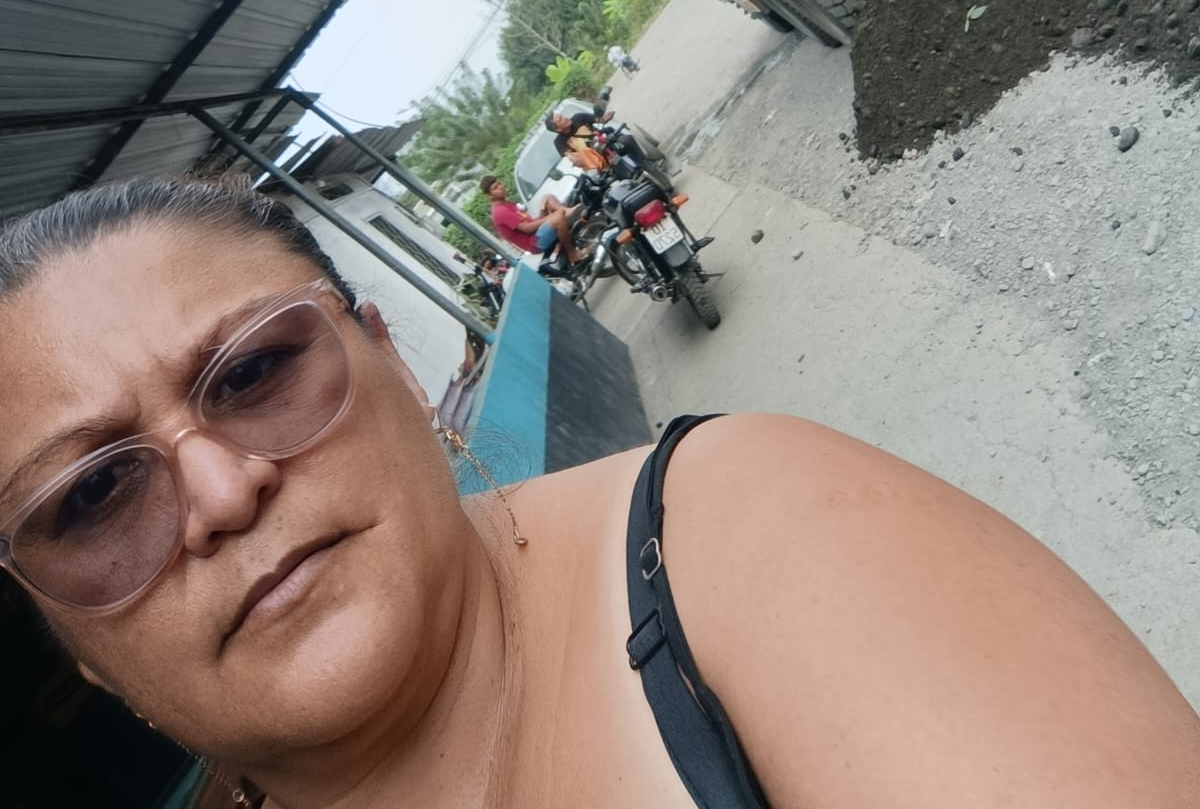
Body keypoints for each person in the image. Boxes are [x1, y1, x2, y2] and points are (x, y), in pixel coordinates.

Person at [0, 178, 1196, 809]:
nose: (219, 491)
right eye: (95, 499)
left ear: (396, 367)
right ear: (72, 645)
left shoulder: (744, 535)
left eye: (257, 373)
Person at [480, 174, 583, 265]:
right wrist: (550, 217)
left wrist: (542, 213)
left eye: (499, 184)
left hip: (537, 232)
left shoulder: (507, 204)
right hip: (534, 242)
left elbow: (530, 222)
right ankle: (572, 254)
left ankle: (569, 211)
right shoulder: (500, 211)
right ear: (490, 196)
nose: (501, 187)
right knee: (558, 217)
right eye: (495, 188)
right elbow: (527, 228)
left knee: (547, 198)